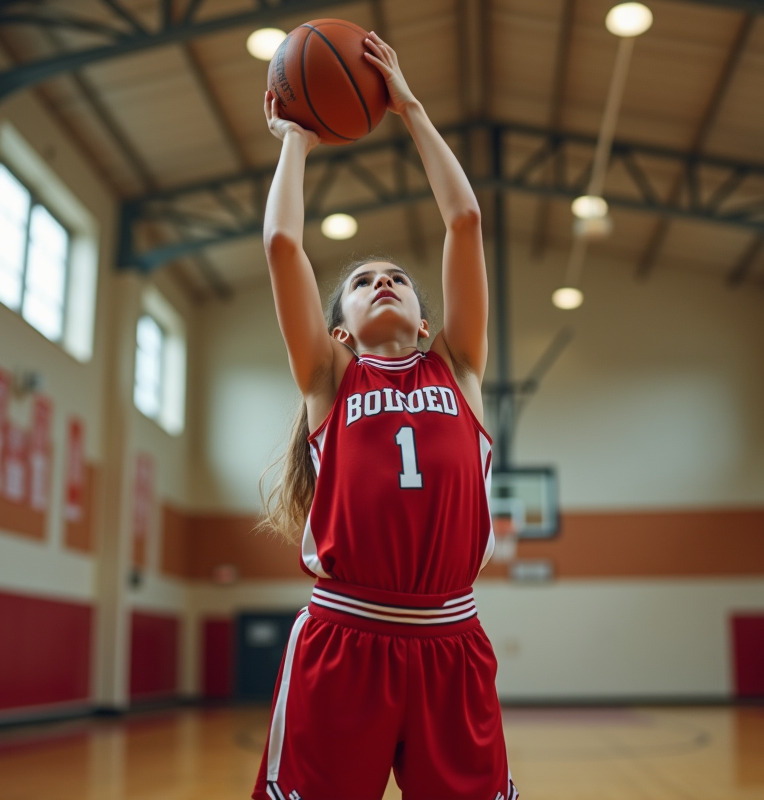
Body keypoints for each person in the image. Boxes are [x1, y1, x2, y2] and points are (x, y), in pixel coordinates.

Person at [253, 31, 518, 800]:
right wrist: (296, 141)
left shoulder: (457, 369)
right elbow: (282, 244)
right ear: (339, 330)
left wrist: (412, 110)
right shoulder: (330, 379)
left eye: (397, 276)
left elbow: (465, 221)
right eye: (364, 281)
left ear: (427, 323)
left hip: (451, 639)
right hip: (345, 639)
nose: (384, 282)